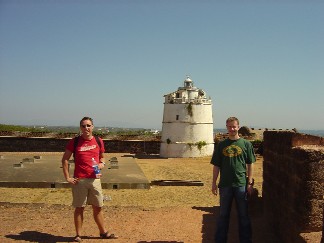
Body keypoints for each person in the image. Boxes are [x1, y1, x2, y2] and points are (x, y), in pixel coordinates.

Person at [62, 117, 118, 242]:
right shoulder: (75, 142)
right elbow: (65, 159)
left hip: (95, 180)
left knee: (98, 207)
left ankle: (103, 232)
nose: (86, 128)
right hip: (79, 180)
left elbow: (102, 157)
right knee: (79, 208)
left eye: (88, 125)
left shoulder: (98, 141)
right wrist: (67, 177)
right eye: (83, 126)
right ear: (80, 128)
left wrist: (102, 164)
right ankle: (78, 235)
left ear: (92, 127)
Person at [211, 117, 256, 243]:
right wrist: (214, 183)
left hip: (241, 184)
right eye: (229, 126)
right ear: (227, 127)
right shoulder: (221, 145)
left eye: (234, 126)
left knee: (243, 216)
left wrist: (250, 183)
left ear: (238, 127)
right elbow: (216, 165)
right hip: (225, 184)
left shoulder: (246, 144)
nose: (232, 129)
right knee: (223, 215)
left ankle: (246, 240)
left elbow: (250, 164)